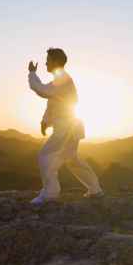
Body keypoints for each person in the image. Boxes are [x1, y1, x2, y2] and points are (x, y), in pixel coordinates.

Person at [28, 48, 104, 204]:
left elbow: (43, 90)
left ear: (56, 61)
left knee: (44, 156)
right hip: (71, 128)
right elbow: (52, 103)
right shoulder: (60, 79)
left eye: (48, 60)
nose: (45, 63)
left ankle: (49, 194)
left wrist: (32, 74)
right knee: (72, 161)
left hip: (67, 130)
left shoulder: (62, 78)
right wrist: (45, 121)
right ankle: (95, 190)